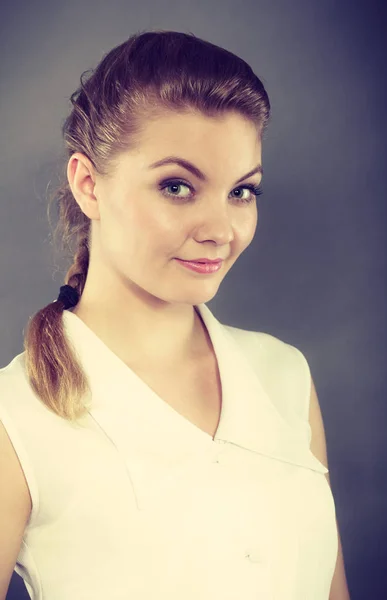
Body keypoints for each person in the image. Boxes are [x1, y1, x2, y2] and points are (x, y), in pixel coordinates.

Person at [0, 29, 350, 600]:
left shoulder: (284, 375)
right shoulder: (14, 418)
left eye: (242, 191)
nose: (220, 231)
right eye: (177, 186)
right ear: (89, 184)